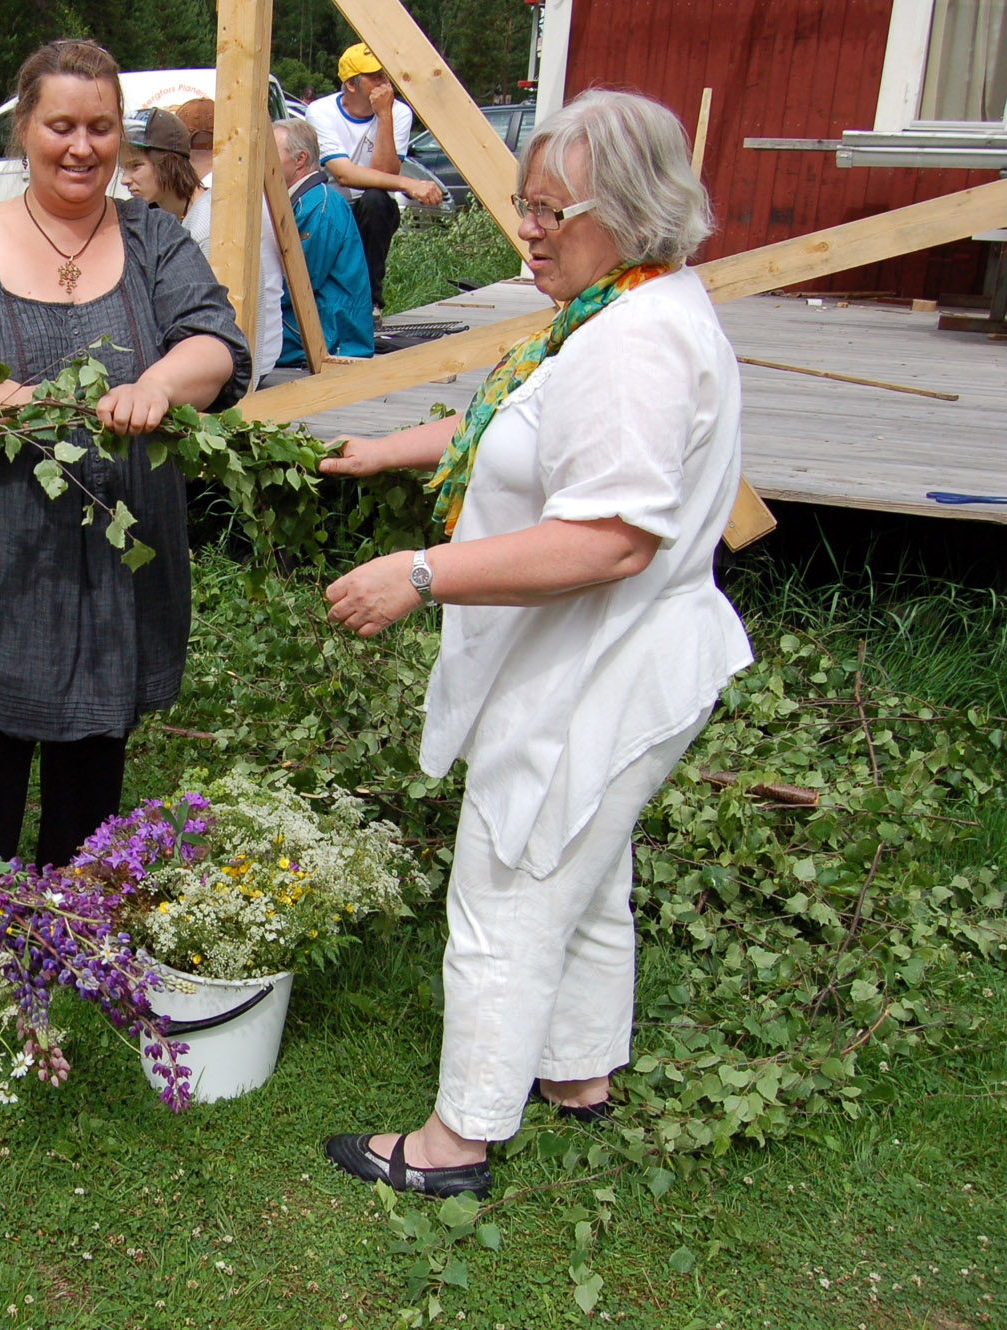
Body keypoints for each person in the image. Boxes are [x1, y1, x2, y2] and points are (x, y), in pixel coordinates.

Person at [316, 90, 751, 1197]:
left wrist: (418, 573)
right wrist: (384, 450)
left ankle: (454, 1141)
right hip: (628, 652)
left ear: (634, 210)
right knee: (583, 869)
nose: (528, 229)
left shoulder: (634, 345)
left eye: (553, 210)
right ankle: (577, 1074)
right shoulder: (624, 304)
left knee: (508, 880)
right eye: (525, 203)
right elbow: (518, 426)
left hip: (600, 663)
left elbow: (609, 539)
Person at [0, 39, 248, 895]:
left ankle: (74, 915)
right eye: (61, 125)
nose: (82, 147)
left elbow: (217, 345)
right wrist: (14, 402)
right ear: (25, 128)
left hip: (118, 551)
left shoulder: (154, 238)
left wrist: (159, 384)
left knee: (96, 740)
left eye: (101, 127)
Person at [119, 105, 280, 380]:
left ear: (168, 164)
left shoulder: (209, 230)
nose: (125, 179)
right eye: (123, 168)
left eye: (136, 166)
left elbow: (224, 334)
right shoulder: (184, 215)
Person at [303, 43, 445, 315]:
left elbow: (385, 172)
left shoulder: (398, 112)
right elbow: (343, 174)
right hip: (331, 205)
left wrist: (384, 115)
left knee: (376, 201)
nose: (385, 84)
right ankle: (314, 303)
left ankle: (369, 304)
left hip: (371, 207)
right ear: (351, 85)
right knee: (326, 206)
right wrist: (410, 184)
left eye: (386, 76)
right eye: (376, 77)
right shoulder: (321, 111)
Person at [272, 116, 373, 365]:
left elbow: (297, 284)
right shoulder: (309, 200)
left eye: (271, 154)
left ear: (300, 159)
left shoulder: (319, 206)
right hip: (314, 325)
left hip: (330, 337)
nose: (262, 161)